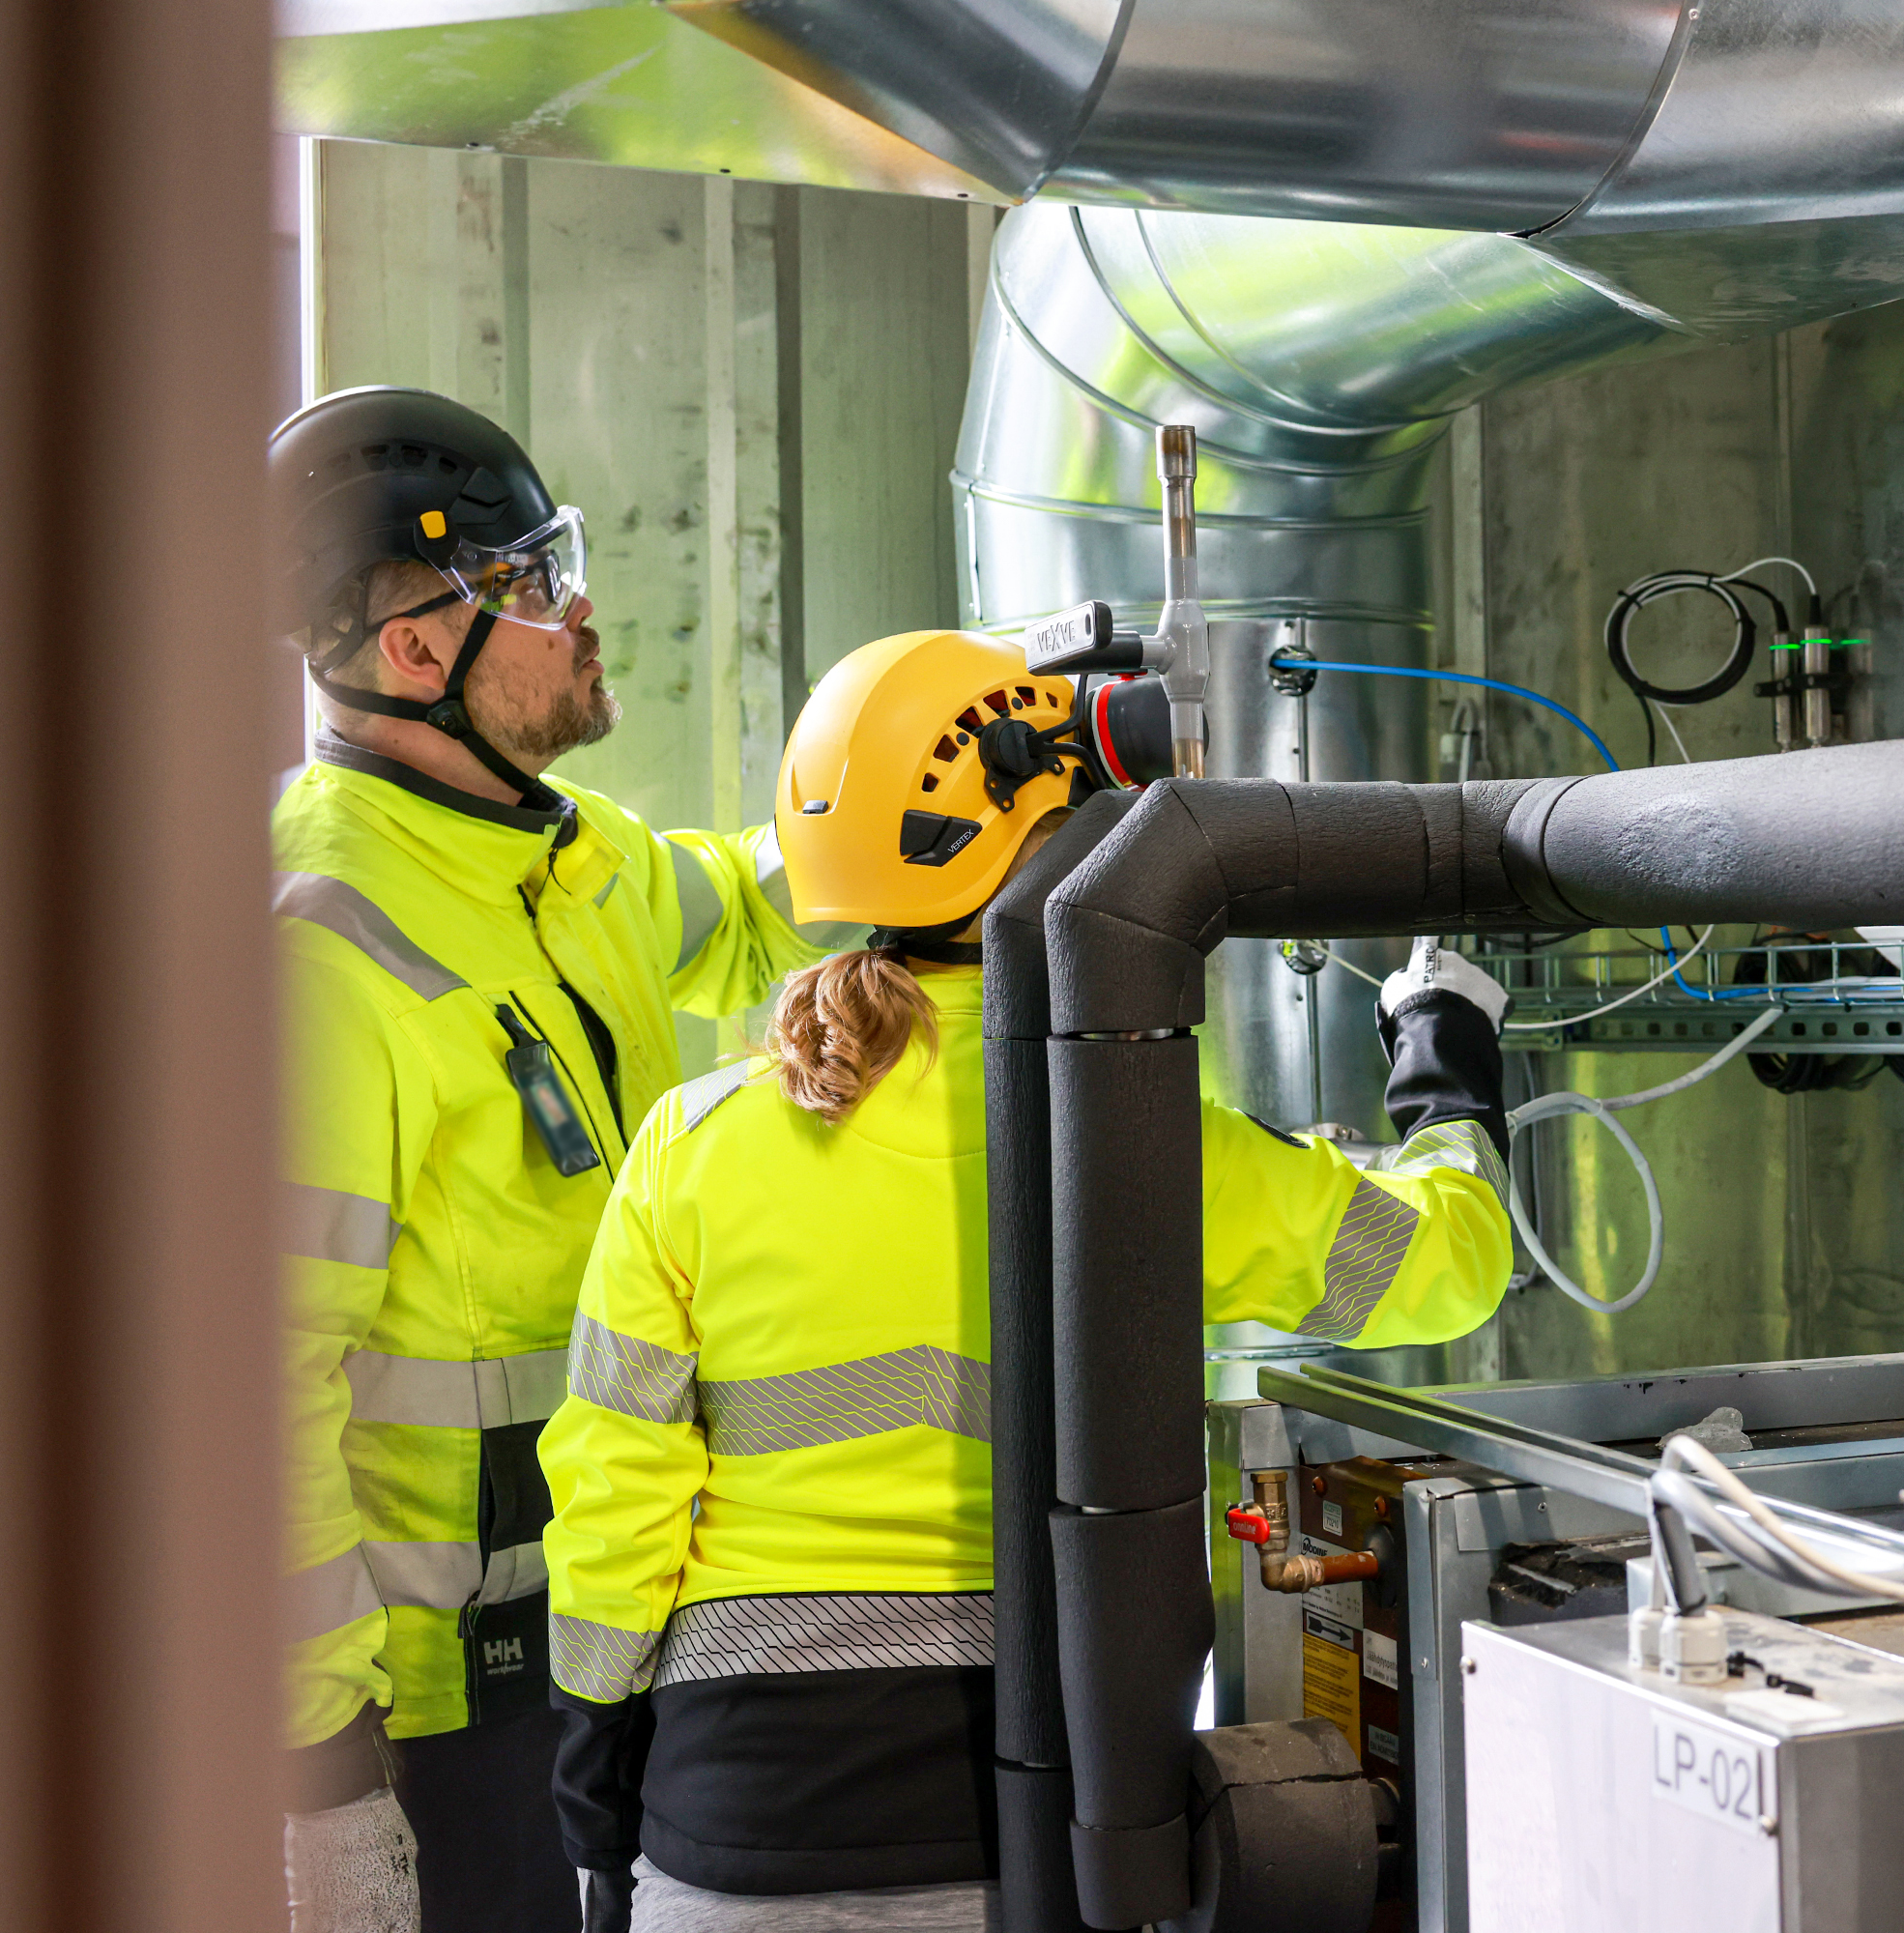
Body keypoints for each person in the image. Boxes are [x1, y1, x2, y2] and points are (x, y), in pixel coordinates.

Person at [534, 629, 1517, 1931]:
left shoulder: (693, 1144)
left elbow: (614, 1511)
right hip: (1026, 1834)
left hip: (728, 1832)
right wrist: (1445, 1062)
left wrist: (599, 1801)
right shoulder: (1141, 1134)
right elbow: (1450, 1267)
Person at [271, 387, 848, 1933]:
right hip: (446, 1714)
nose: (573, 606)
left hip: (614, 1633)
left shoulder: (562, 856)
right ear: (417, 653)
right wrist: (322, 1772)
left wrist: (939, 772)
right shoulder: (320, 949)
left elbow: (745, 900)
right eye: (527, 582)